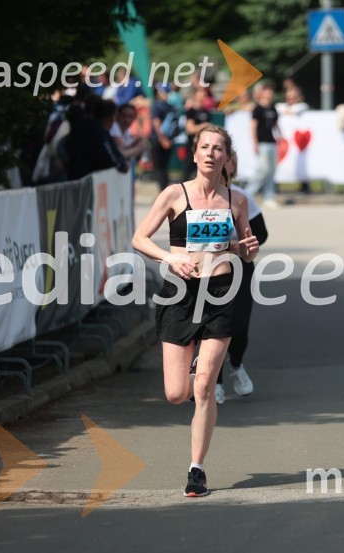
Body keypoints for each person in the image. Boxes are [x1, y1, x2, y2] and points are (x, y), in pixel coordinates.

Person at [132, 125, 260, 497]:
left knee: (204, 385)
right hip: (179, 295)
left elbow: (246, 249)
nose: (210, 154)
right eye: (204, 147)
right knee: (176, 393)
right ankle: (192, 368)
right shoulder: (174, 194)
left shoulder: (236, 200)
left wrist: (245, 249)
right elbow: (139, 238)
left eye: (218, 148)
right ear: (195, 153)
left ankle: (196, 470)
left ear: (226, 157)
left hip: (221, 294)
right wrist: (170, 256)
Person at [213, 151, 268, 404]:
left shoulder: (241, 197)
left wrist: (238, 242)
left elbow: (262, 233)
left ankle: (236, 364)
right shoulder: (195, 195)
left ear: (233, 164)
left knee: (240, 324)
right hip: (206, 269)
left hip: (240, 267)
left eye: (227, 158)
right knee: (212, 326)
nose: (223, 163)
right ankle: (216, 381)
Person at [247, 82, 280, 208]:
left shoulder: (272, 108)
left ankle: (269, 196)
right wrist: (255, 143)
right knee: (263, 169)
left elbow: (276, 124)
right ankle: (249, 193)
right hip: (262, 143)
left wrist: (280, 136)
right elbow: (253, 126)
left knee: (272, 171)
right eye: (267, 91)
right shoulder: (257, 109)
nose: (270, 93)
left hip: (272, 142)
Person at [149, 85, 176, 190]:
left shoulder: (157, 106)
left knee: (159, 168)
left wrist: (162, 139)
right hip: (168, 139)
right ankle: (164, 189)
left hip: (159, 140)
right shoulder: (169, 106)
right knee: (164, 168)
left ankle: (163, 191)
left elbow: (156, 123)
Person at [182, 88, 213, 181]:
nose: (203, 96)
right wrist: (203, 126)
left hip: (203, 145)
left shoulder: (206, 112)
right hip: (192, 144)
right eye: (201, 93)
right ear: (195, 95)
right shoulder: (191, 111)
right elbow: (190, 129)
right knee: (187, 169)